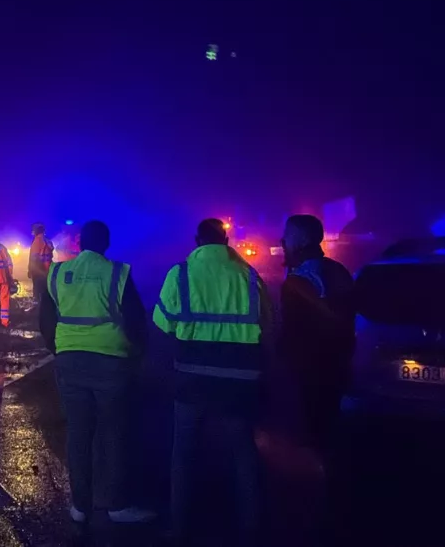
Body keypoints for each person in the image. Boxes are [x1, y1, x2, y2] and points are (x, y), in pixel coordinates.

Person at [154, 218, 270, 546]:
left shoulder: (181, 274)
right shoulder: (249, 275)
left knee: (184, 454)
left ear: (197, 241)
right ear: (226, 240)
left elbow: (163, 322)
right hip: (240, 379)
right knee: (243, 452)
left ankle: (180, 528)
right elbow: (266, 322)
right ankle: (251, 528)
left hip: (192, 377)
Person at [41, 220, 154, 525]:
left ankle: (80, 506)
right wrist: (137, 354)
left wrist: (61, 350)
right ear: (106, 243)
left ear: (79, 243)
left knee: (78, 433)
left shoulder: (59, 272)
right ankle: (116, 505)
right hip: (111, 362)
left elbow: (46, 321)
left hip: (70, 362)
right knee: (114, 433)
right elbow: (136, 321)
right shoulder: (117, 272)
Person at [278, 214, 354, 450]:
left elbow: (293, 328)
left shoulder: (300, 279)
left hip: (311, 366)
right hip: (341, 361)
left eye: (288, 235)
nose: (283, 241)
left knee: (313, 427)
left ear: (301, 240)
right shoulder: (338, 270)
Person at [28, 223, 55, 309]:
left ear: (36, 230)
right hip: (47, 269)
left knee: (37, 290)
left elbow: (34, 257)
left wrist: (30, 269)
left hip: (38, 269)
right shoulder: (47, 240)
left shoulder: (37, 241)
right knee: (46, 290)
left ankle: (36, 308)